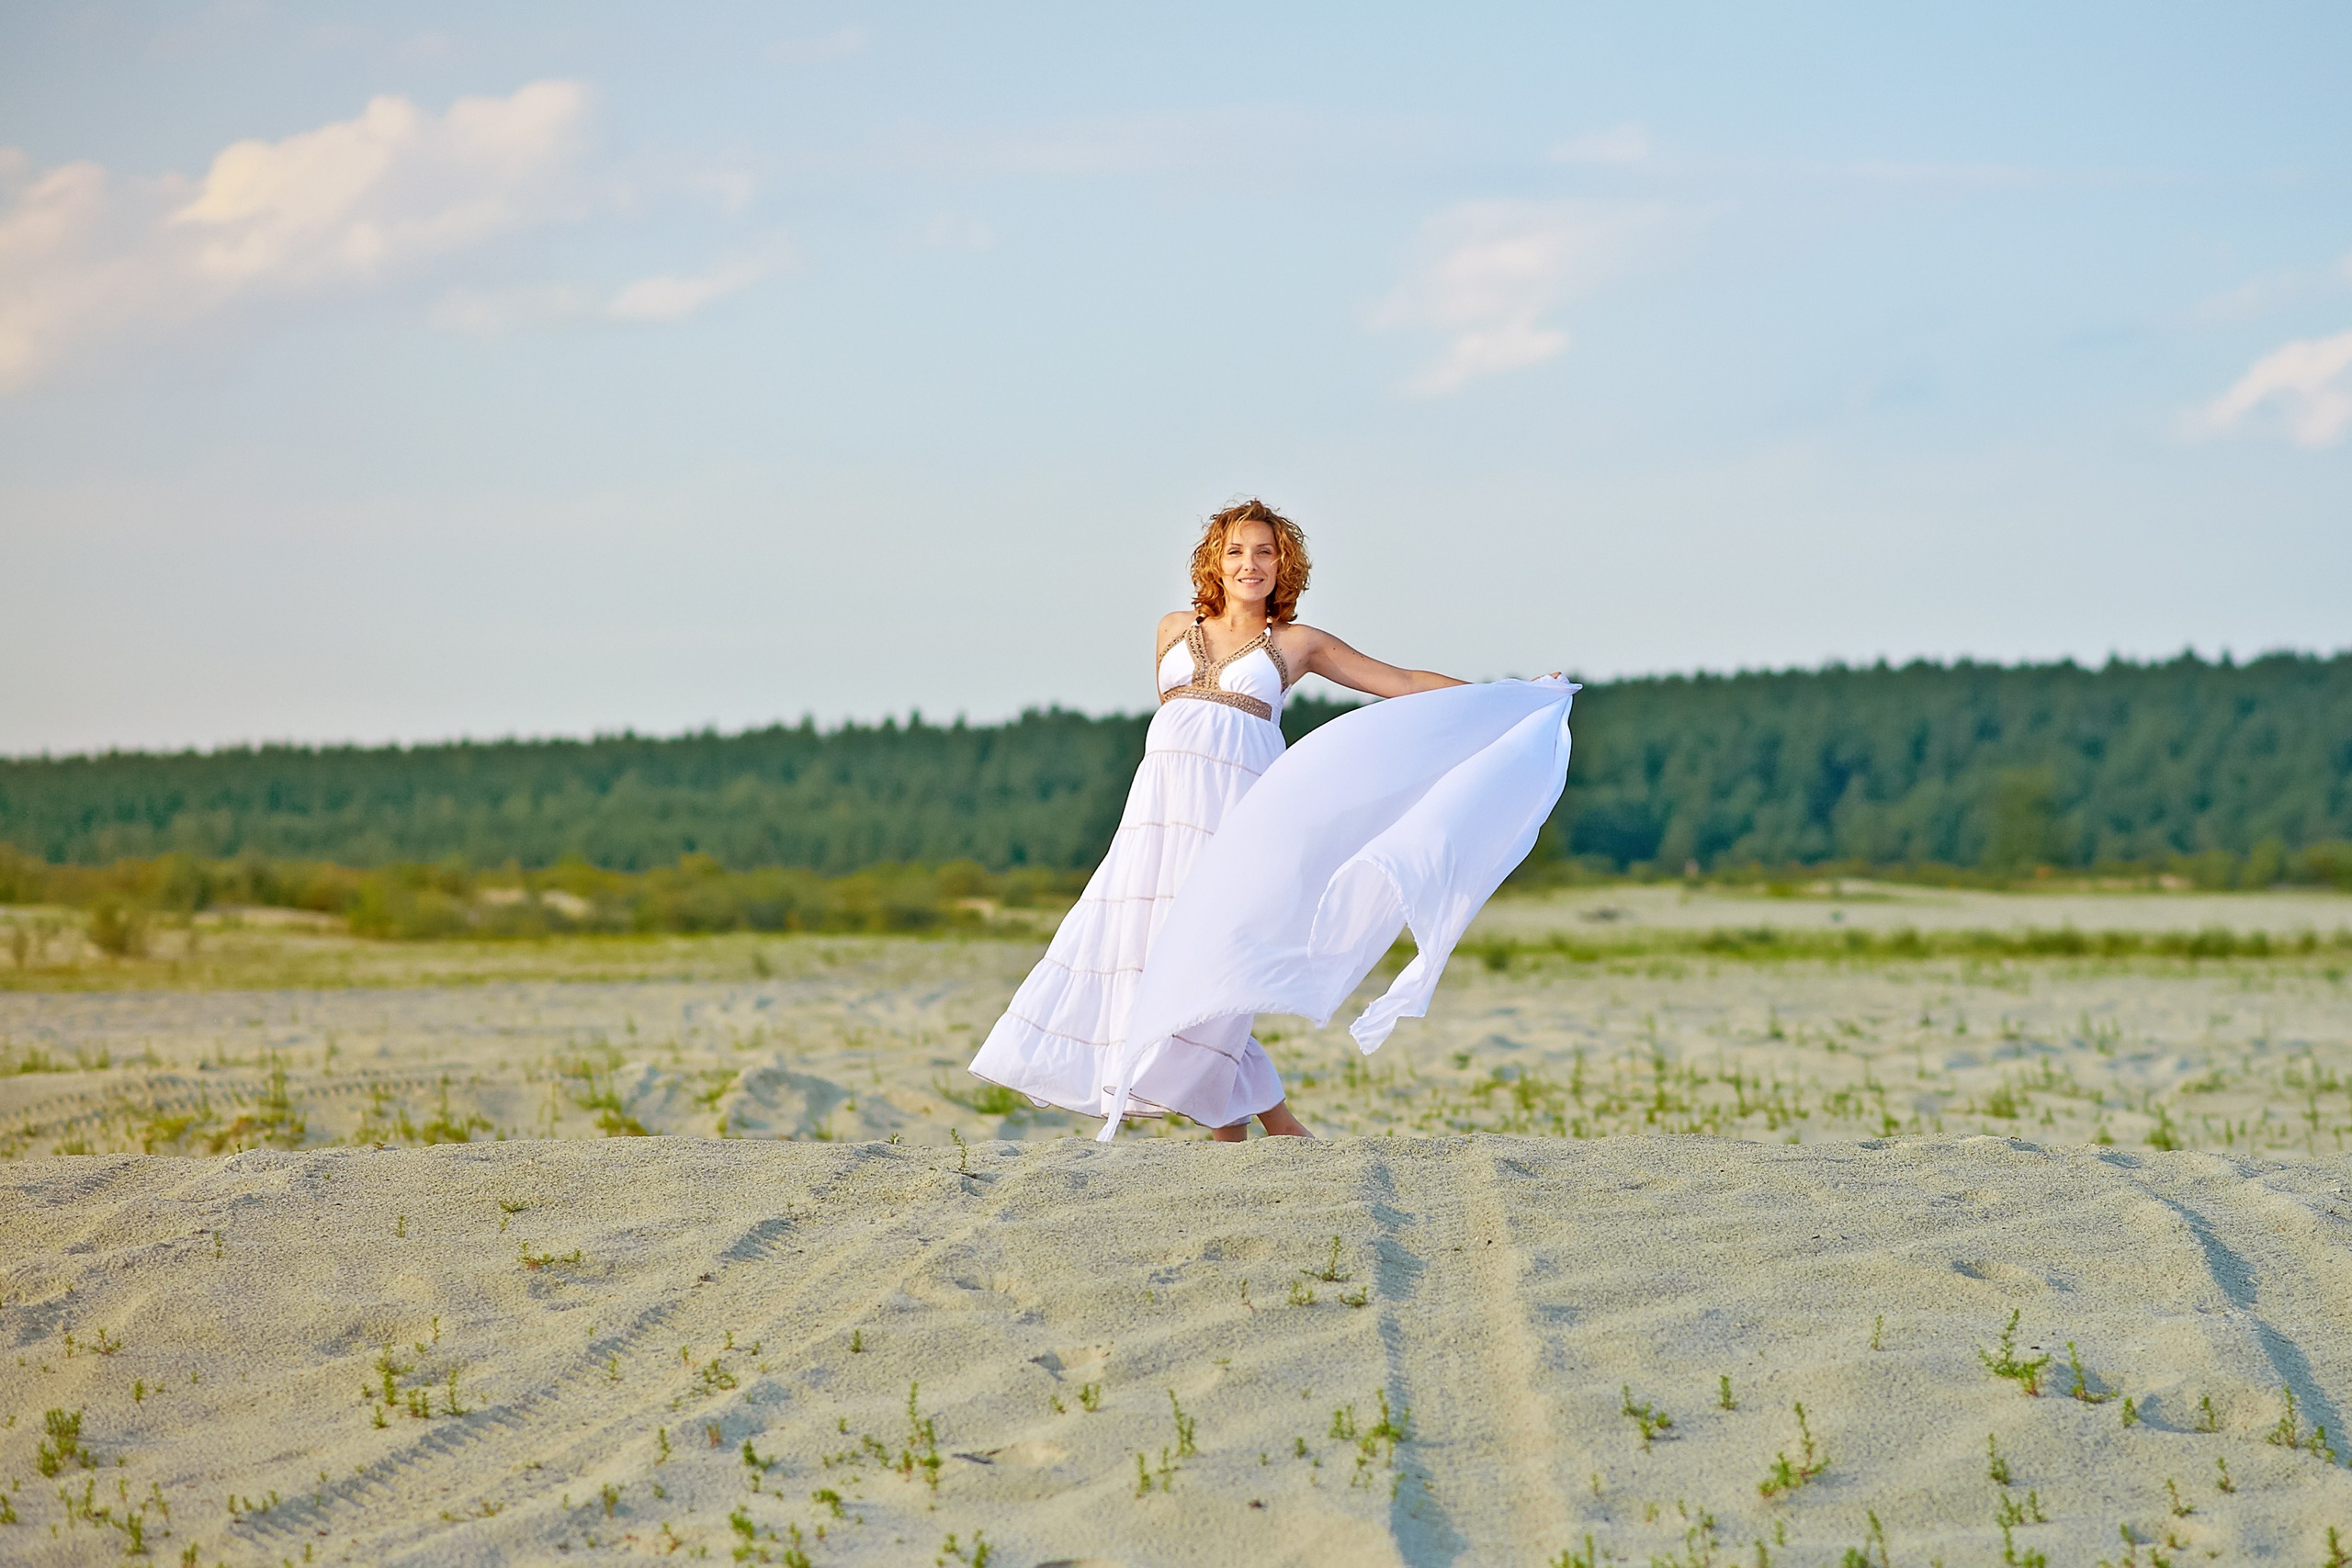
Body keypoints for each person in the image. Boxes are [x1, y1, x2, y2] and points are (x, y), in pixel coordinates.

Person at [967, 498, 1472, 1141]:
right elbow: (1180, 730)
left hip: (1240, 827)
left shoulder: (1297, 643)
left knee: (1216, 964)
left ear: (1283, 564)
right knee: (1158, 959)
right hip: (1158, 827)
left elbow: (1396, 679)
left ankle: (1256, 1129)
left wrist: (1504, 691)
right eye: (1236, 550)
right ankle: (1261, 1131)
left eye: (1265, 551)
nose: (1249, 563)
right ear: (1215, 560)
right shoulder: (1171, 628)